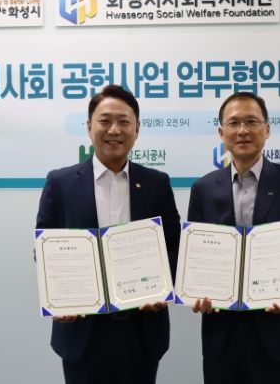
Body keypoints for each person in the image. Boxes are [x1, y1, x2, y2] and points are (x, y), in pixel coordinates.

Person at [36, 85, 180, 384]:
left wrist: (162, 288)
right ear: (89, 126)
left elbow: (173, 246)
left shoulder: (156, 183)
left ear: (137, 129)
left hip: (141, 329)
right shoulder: (60, 183)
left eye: (124, 121)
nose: (114, 130)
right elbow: (45, 250)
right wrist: (61, 296)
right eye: (104, 121)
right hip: (82, 332)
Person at [188, 92, 280, 384]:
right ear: (221, 132)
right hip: (221, 334)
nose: (243, 130)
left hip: (276, 330)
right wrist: (195, 291)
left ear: (267, 129)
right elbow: (194, 257)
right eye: (234, 123)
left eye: (252, 122)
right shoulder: (202, 189)